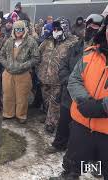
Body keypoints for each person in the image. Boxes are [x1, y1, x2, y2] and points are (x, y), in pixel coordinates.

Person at [50, 16, 108, 180]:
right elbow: (75, 78)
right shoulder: (91, 53)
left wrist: (102, 107)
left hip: (106, 129)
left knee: (103, 165)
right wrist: (84, 101)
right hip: (82, 120)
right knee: (74, 161)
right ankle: (69, 175)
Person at [37, 18, 79, 134]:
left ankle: (51, 123)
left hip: (59, 80)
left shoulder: (72, 43)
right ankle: (48, 117)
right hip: (44, 77)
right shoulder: (48, 41)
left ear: (64, 29)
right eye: (54, 29)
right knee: (46, 100)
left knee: (55, 102)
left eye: (58, 29)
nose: (56, 31)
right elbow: (38, 53)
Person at [0, 20, 40, 124]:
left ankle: (21, 115)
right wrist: (7, 65)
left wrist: (23, 66)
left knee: (22, 96)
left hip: (23, 74)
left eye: (21, 29)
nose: (18, 31)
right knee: (8, 95)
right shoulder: (9, 41)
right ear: (13, 30)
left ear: (24, 30)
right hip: (8, 73)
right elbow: (1, 55)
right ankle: (8, 113)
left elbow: (36, 58)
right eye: (16, 29)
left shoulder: (31, 42)